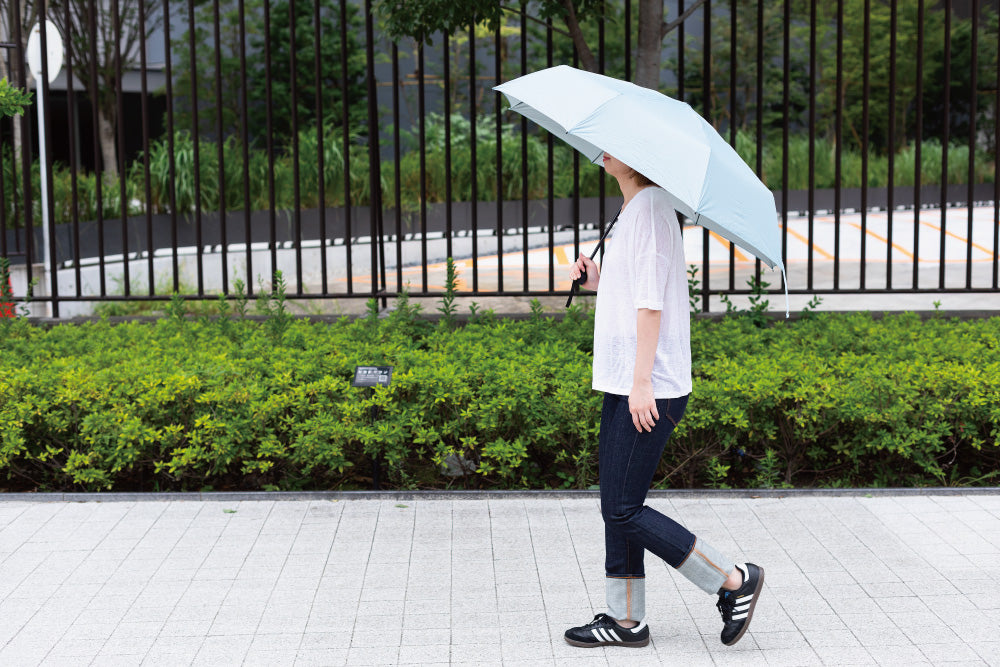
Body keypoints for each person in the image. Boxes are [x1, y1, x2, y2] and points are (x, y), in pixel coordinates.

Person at [564, 153, 764, 649]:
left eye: (616, 145)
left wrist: (641, 382)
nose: (604, 150)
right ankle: (626, 621)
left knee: (626, 509)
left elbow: (652, 304)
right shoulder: (634, 210)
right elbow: (633, 292)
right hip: (625, 381)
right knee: (615, 506)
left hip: (649, 386)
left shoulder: (651, 208)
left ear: (641, 157)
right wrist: (596, 280)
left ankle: (733, 581)